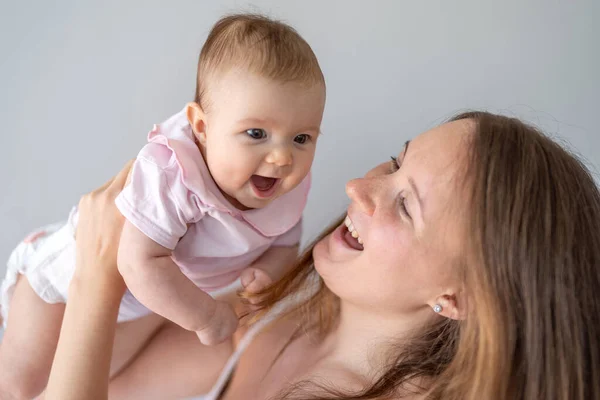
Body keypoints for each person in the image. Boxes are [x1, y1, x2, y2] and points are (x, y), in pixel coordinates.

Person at [46, 111, 600, 400]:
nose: (359, 186)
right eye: (394, 162)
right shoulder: (276, 316)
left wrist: (99, 275)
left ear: (456, 297)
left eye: (405, 206)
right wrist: (159, 257)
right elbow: (84, 383)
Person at [0, 14, 326, 399]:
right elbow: (139, 262)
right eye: (256, 134)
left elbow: (285, 240)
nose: (282, 157)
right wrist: (205, 317)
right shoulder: (173, 176)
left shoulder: (283, 187)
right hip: (60, 284)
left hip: (136, 308)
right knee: (18, 387)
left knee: (92, 377)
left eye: (302, 138)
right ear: (201, 128)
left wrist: (269, 273)